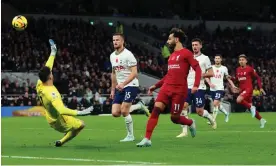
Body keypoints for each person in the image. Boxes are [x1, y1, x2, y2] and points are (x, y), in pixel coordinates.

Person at [136, 28, 201, 147]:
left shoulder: (186, 53)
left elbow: (198, 69)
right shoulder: (171, 56)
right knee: (156, 110)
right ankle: (147, 139)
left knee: (174, 118)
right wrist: (155, 86)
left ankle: (190, 122)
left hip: (179, 90)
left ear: (176, 39)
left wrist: (196, 85)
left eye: (169, 39)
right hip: (166, 88)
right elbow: (168, 75)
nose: (167, 41)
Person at [36, 39, 93, 147]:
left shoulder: (40, 83)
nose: (52, 72)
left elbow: (48, 67)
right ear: (50, 77)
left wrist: (53, 52)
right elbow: (61, 110)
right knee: (81, 125)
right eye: (51, 73)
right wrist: (81, 112)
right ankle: (62, 142)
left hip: (49, 116)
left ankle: (60, 141)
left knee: (76, 124)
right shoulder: (52, 93)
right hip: (59, 120)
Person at [110, 33, 149, 142]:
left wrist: (124, 83)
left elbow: (134, 73)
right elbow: (113, 73)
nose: (115, 42)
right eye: (113, 40)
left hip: (131, 85)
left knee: (124, 110)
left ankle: (130, 136)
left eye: (117, 40)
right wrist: (113, 89)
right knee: (115, 113)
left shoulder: (128, 55)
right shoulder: (112, 56)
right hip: (120, 87)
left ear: (122, 41)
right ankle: (139, 106)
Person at [177, 38, 215, 138]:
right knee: (183, 106)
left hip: (199, 87)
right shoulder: (188, 57)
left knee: (199, 112)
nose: (194, 47)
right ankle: (184, 131)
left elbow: (211, 73)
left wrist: (201, 75)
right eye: (193, 45)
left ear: (201, 46)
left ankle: (210, 118)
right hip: (187, 86)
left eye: (196, 45)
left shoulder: (205, 58)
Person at [230, 54, 267, 128]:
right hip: (242, 90)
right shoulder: (238, 69)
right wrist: (231, 78)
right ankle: (261, 120)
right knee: (250, 108)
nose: (241, 61)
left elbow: (258, 78)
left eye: (243, 60)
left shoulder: (250, 69)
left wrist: (260, 87)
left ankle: (252, 107)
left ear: (246, 61)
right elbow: (237, 79)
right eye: (240, 60)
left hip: (248, 89)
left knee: (238, 100)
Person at [205, 54, 236, 123]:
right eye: (216, 58)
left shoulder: (224, 68)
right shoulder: (211, 68)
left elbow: (228, 78)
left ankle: (212, 120)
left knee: (215, 103)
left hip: (220, 88)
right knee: (218, 105)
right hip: (212, 89)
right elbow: (206, 77)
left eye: (218, 58)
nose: (217, 60)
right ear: (214, 59)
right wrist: (210, 84)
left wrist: (233, 85)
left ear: (221, 59)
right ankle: (226, 113)